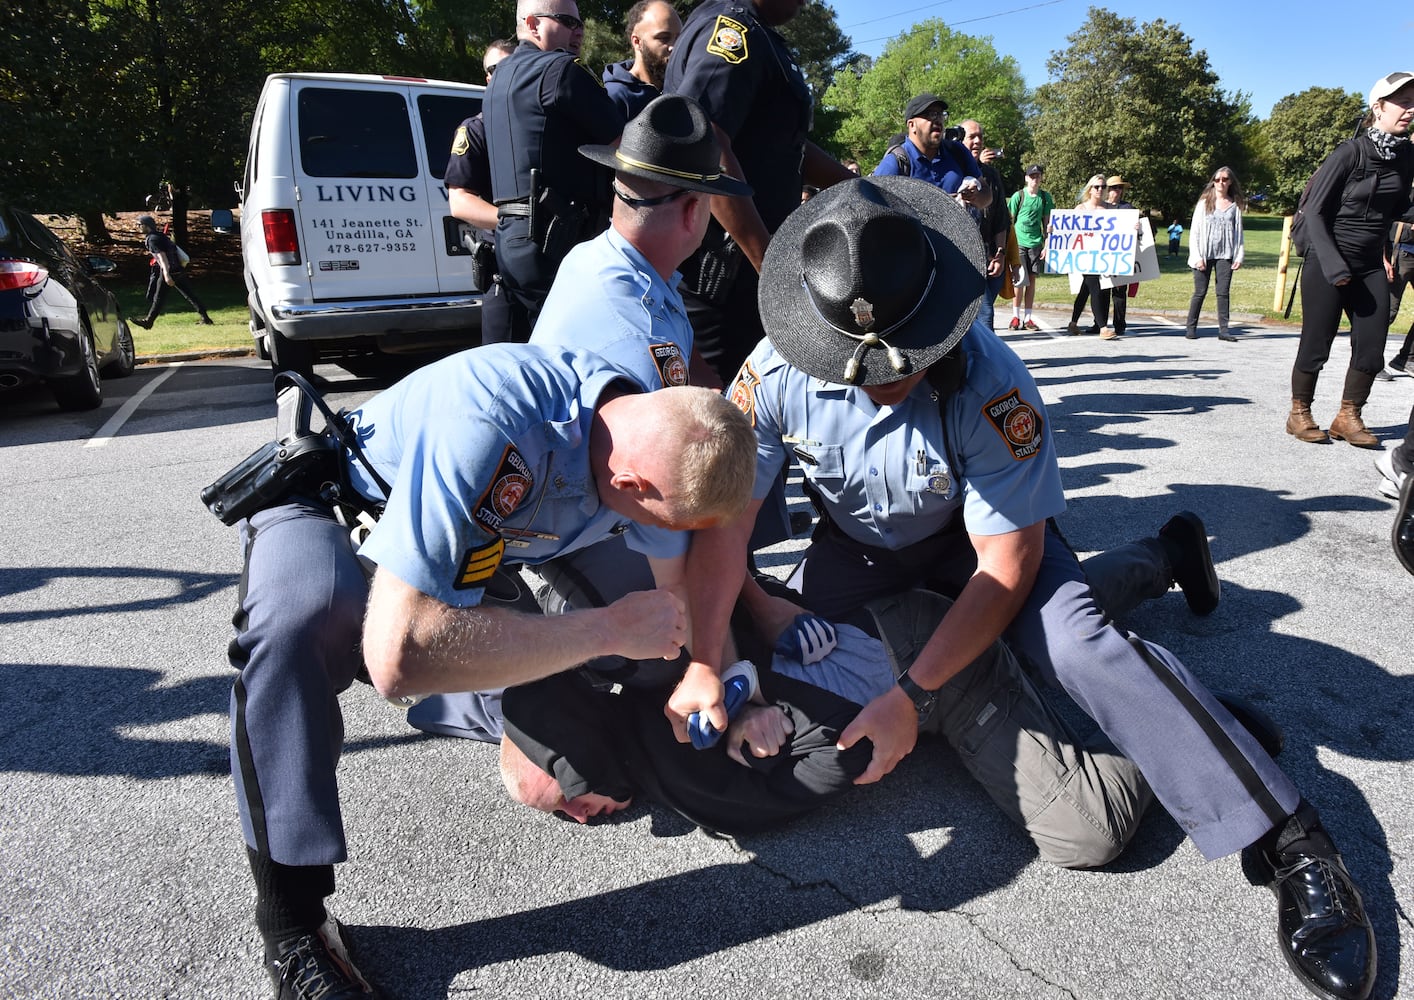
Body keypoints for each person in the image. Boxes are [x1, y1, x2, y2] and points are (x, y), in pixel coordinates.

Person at [675, 176, 1378, 1000]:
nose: (877, 382)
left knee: (1073, 641)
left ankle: (1290, 838)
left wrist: (910, 692)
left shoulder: (993, 384)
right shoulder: (774, 371)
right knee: (785, 653)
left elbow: (1005, 570)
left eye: (901, 356)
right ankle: (1166, 565)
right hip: (860, 556)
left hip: (982, 549)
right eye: (855, 366)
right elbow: (721, 531)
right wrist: (708, 655)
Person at [223, 344, 756, 998]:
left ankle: (495, 702)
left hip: (479, 550)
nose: (670, 535)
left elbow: (673, 595)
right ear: (631, 486)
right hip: (350, 514)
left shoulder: (649, 426)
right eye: (668, 522)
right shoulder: (492, 426)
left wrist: (706, 672)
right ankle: (294, 927)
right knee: (295, 624)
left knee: (624, 673)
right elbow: (396, 658)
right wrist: (607, 629)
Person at [405, 94, 753, 740]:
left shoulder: (622, 266)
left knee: (718, 605)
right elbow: (665, 525)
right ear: (690, 209)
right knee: (657, 652)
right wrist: (705, 663)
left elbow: (696, 376)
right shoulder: (635, 325)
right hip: (545, 532)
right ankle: (489, 699)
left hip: (566, 509)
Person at [663, 0, 853, 385]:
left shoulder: (761, 36)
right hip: (723, 280)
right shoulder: (733, 32)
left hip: (747, 279)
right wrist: (769, 266)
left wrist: (859, 186)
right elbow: (703, 140)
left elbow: (788, 145)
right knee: (723, 420)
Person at [483, 0, 625, 341]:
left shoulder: (498, 78)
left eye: (580, 23)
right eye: (566, 21)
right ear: (532, 23)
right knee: (589, 351)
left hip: (511, 241)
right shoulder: (560, 70)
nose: (578, 31)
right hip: (558, 241)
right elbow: (625, 146)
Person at [1287, 71, 1414, 447]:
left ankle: (1348, 415)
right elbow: (1313, 211)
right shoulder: (1350, 152)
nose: (1410, 110)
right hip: (1329, 261)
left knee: (1372, 345)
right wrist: (1333, 265)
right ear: (1378, 107)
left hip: (1370, 264)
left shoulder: (1406, 154)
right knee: (1316, 343)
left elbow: (1399, 206)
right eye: (1402, 102)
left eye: (1413, 103)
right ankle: (1299, 413)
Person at [446, 39, 517, 344]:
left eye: (512, 67)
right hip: (505, 270)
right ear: (487, 78)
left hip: (553, 267)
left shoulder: (549, 126)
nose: (502, 75)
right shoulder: (477, 129)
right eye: (495, 69)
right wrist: (518, 223)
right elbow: (460, 202)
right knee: (503, 366)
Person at [872, 95, 991, 212]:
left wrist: (975, 197)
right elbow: (873, 209)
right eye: (931, 114)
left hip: (959, 230)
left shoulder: (958, 152)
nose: (938, 120)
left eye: (941, 114)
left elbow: (987, 196)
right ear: (912, 125)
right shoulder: (897, 161)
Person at [1184, 167, 1245, 342]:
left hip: (1225, 254)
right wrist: (1197, 256)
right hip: (1204, 253)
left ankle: (1224, 330)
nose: (1221, 183)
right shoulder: (1204, 203)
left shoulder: (1234, 205)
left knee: (1223, 292)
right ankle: (1191, 327)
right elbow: (1195, 231)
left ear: (1230, 182)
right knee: (1200, 291)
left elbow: (1238, 234)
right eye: (1217, 180)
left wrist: (1239, 256)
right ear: (1213, 181)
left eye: (1224, 179)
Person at [961, 119, 1011, 330]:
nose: (978, 141)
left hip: (991, 256)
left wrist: (1000, 253)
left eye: (980, 136)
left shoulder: (990, 175)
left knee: (981, 316)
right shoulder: (952, 172)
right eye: (972, 136)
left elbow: (1001, 217)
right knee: (985, 314)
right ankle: (987, 361)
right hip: (964, 259)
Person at [603, 0, 682, 120]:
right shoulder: (615, 98)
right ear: (637, 42)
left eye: (679, 38)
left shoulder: (683, 90)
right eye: (664, 38)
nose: (674, 47)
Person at [129, 215, 211, 329]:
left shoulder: (152, 239)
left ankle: (148, 322)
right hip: (178, 269)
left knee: (159, 298)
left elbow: (162, 258)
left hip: (169, 270)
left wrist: (166, 274)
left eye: (140, 225)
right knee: (189, 295)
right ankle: (206, 318)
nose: (138, 227)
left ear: (146, 226)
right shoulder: (160, 236)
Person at [1065, 175, 1117, 340]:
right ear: (1090, 189)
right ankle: (1103, 327)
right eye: (1096, 187)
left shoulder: (1110, 209)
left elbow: (1120, 230)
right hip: (1085, 256)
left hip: (1103, 256)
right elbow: (1068, 232)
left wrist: (1133, 227)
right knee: (1094, 286)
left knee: (1085, 289)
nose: (1100, 190)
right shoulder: (1080, 209)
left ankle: (1073, 323)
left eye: (1103, 187)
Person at [1007, 165, 1053, 332]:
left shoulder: (1045, 198)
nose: (1035, 179)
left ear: (1041, 178)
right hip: (1019, 243)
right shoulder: (1018, 196)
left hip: (1036, 244)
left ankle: (1028, 317)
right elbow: (1009, 221)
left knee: (1032, 281)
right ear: (1026, 178)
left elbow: (1047, 223)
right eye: (1032, 176)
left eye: (1037, 176)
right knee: (1019, 281)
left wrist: (1046, 246)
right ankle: (1015, 316)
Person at [1375, 204, 1414, 380]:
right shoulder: (1404, 185)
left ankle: (1406, 358)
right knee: (1387, 311)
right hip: (1400, 252)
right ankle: (1370, 362)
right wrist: (1382, 258)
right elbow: (1380, 218)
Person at [1104, 175, 1138, 337]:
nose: (1117, 191)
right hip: (1103, 255)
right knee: (1101, 291)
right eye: (1113, 188)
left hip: (1120, 255)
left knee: (1119, 292)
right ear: (1107, 190)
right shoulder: (1101, 208)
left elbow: (1138, 233)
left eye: (1119, 188)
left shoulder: (1128, 209)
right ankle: (1100, 323)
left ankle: (1119, 324)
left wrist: (1137, 227)